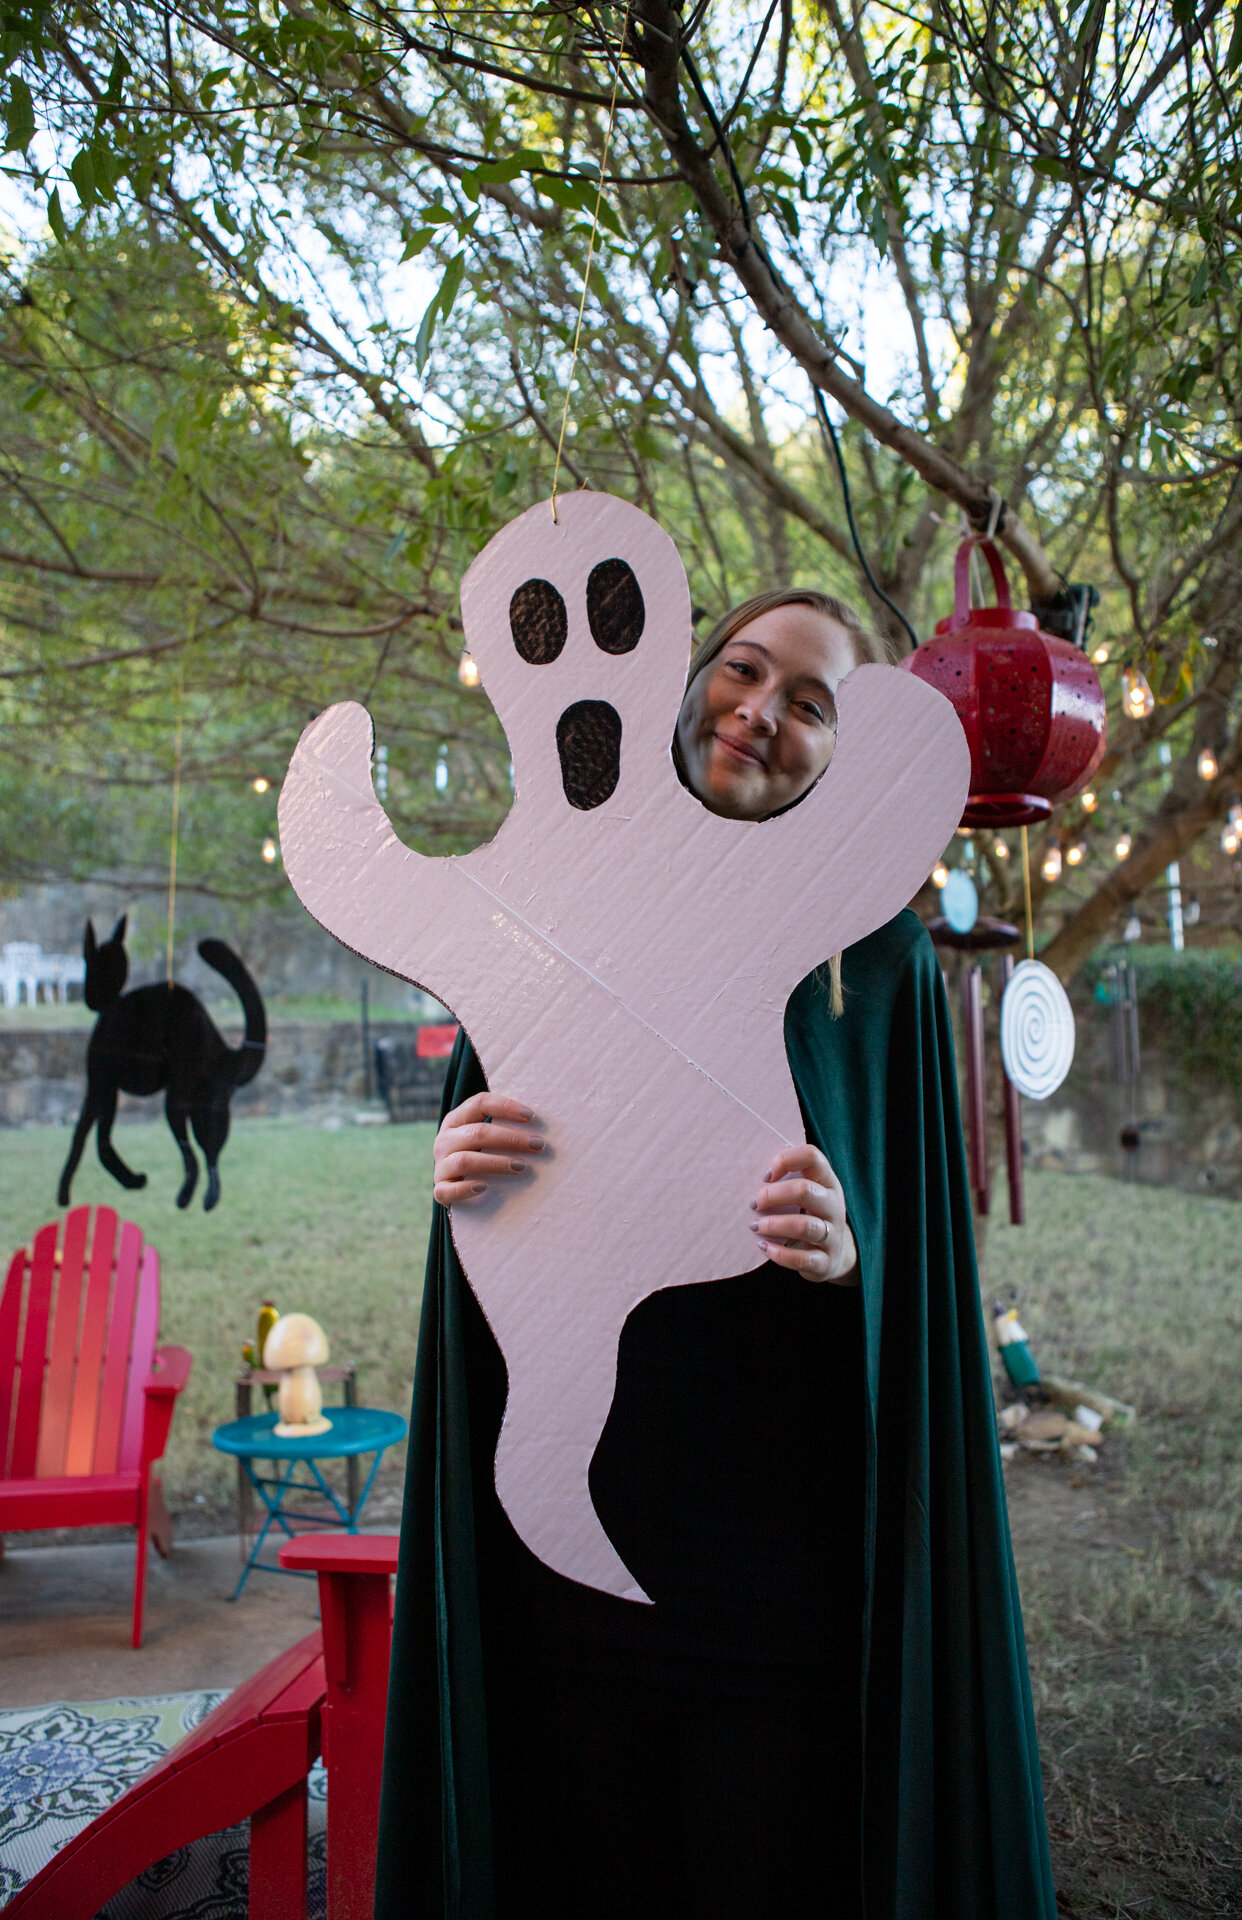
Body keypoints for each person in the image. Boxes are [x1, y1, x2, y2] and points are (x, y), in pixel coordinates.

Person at [375, 589, 1057, 1920]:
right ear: (688, 686)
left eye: (809, 704)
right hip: (575, 1537)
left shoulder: (877, 957)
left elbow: (912, 1267)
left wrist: (850, 1252)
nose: (760, 714)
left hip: (780, 1557)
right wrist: (457, 1166)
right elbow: (495, 1210)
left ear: (843, 753)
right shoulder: (560, 901)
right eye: (743, 672)